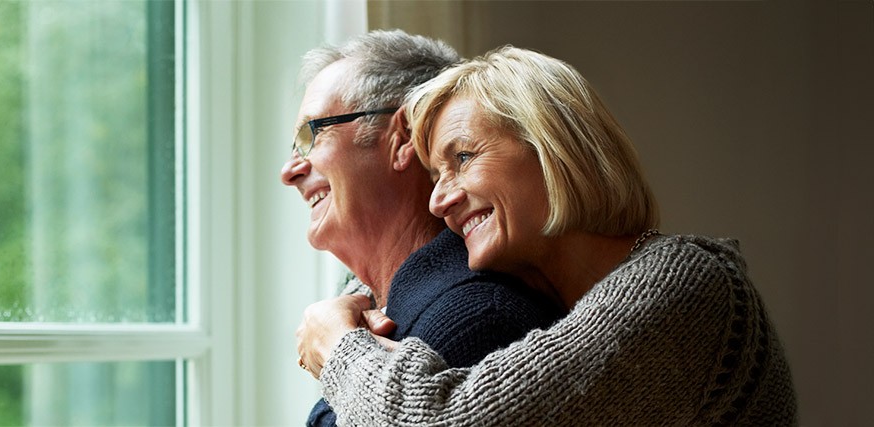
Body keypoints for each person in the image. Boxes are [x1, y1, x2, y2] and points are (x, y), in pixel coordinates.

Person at [294, 46, 798, 425]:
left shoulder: (685, 283)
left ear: (551, 147)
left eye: (463, 158)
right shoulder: (576, 305)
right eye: (436, 173)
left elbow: (450, 419)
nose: (438, 199)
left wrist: (338, 345)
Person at [280, 32, 566, 427]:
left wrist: (338, 346)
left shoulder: (476, 317)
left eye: (311, 135)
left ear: (402, 138)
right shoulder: (371, 308)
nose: (289, 171)